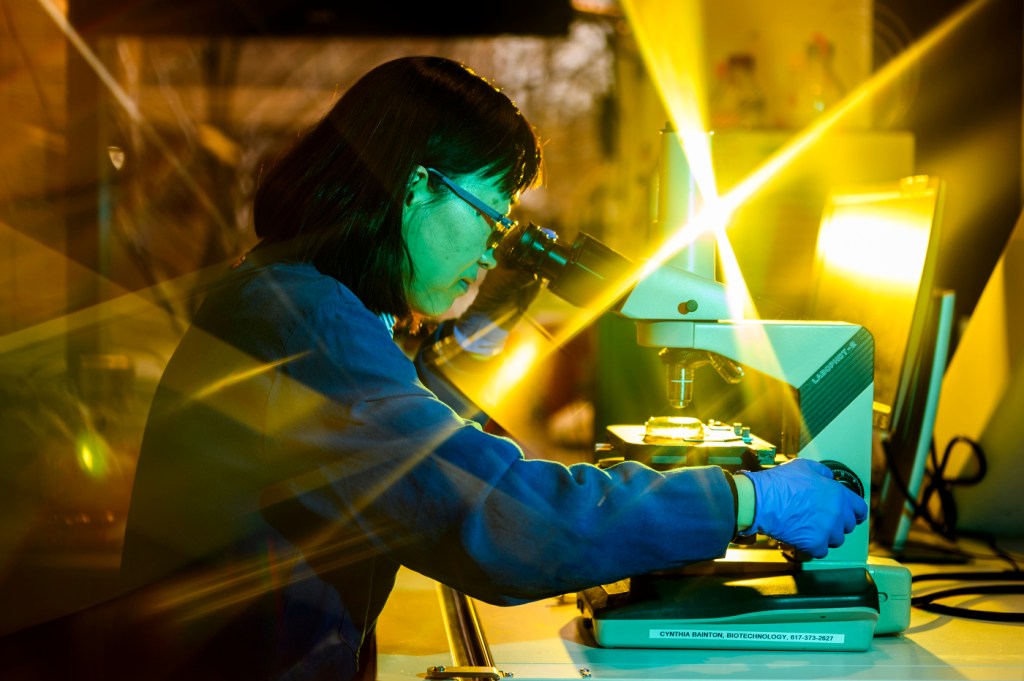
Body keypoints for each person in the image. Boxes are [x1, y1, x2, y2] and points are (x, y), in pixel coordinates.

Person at [116, 56, 867, 681]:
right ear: (414, 184)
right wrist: (745, 499)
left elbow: (453, 438)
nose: (494, 244)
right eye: (492, 213)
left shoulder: (293, 296)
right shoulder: (302, 320)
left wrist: (494, 302)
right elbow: (501, 517)